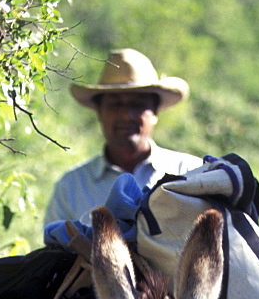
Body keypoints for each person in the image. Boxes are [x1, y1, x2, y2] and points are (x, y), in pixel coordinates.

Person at [45, 49, 203, 226]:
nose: (126, 115)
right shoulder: (72, 187)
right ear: (99, 112)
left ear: (155, 112)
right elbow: (55, 251)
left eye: (137, 105)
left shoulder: (191, 173)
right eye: (115, 105)